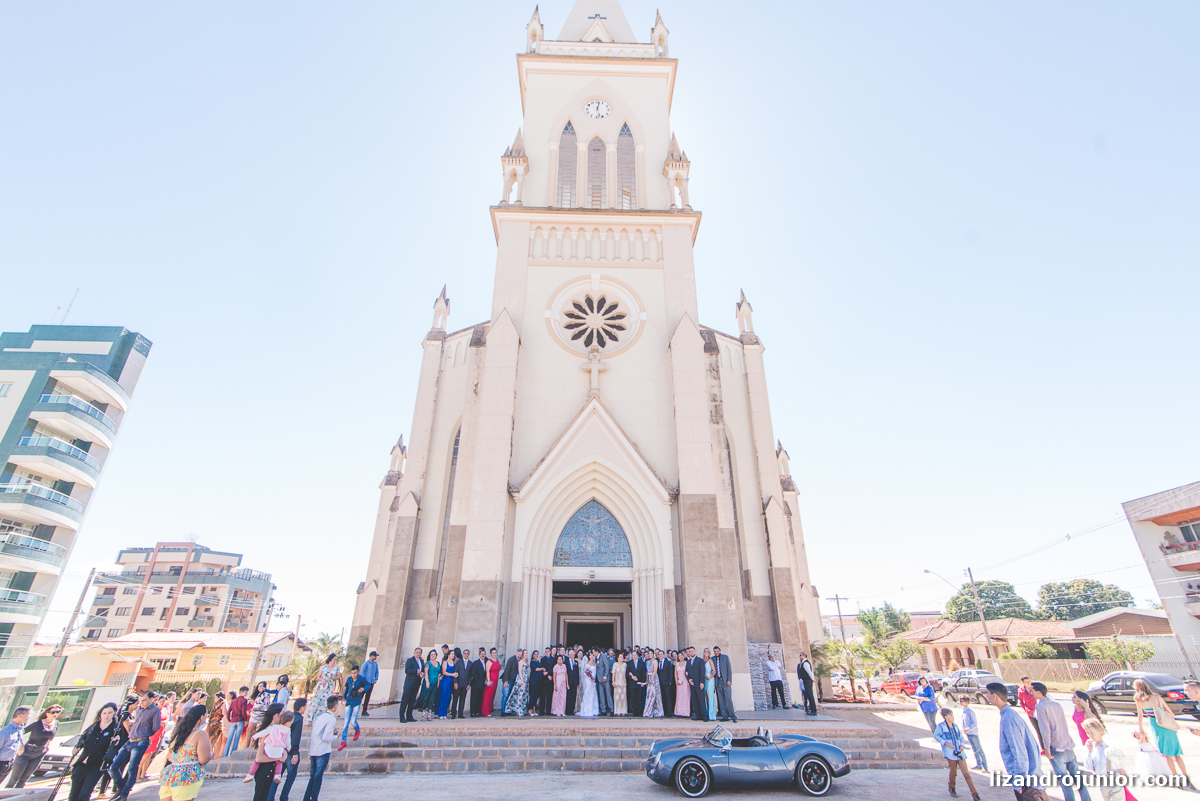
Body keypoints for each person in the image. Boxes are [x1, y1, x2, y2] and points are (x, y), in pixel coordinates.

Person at [1030, 682, 1092, 801]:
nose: (1031, 693)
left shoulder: (1040, 707)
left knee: (1065, 781)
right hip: (1068, 745)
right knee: (1077, 778)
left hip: (1056, 747)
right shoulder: (1056, 704)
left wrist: (1046, 748)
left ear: (1038, 692)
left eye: (1032, 691)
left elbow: (1045, 729)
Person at [986, 681, 1042, 799]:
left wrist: (1018, 781)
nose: (987, 697)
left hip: (1026, 782)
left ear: (995, 696)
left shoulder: (1009, 719)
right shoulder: (1010, 715)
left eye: (988, 694)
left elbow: (1019, 752)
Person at [1134, 677, 1189, 787]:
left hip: (1156, 726)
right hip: (1166, 725)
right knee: (1177, 754)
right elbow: (1171, 713)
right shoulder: (1157, 698)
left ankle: (1176, 780)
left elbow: (1140, 715)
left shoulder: (1138, 700)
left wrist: (1141, 728)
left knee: (1167, 755)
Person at [109, 692, 159, 800]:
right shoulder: (140, 709)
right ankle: (122, 787)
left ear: (151, 699)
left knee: (132, 768)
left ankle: (124, 794)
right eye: (140, 701)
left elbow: (156, 727)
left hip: (141, 741)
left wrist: (144, 733)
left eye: (144, 700)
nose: (141, 703)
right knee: (113, 766)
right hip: (130, 740)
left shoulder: (155, 710)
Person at [158, 705, 211, 801]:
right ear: (201, 717)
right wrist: (212, 754)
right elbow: (203, 759)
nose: (207, 716)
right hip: (185, 777)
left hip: (169, 775)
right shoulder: (200, 734)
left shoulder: (179, 732)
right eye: (206, 714)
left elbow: (169, 756)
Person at [67, 702, 117, 801]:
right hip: (81, 764)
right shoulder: (93, 727)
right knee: (73, 795)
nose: (107, 715)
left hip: (96, 765)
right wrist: (77, 746)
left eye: (109, 713)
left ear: (114, 713)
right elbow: (83, 737)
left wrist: (115, 742)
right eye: (104, 713)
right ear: (100, 714)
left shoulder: (115, 729)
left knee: (84, 794)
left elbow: (120, 744)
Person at [934, 707, 980, 800]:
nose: (952, 717)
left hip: (959, 752)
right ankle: (952, 788)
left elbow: (960, 737)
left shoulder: (955, 726)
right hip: (950, 752)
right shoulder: (941, 726)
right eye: (950, 715)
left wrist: (962, 745)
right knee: (953, 772)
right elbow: (936, 735)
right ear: (946, 717)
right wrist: (946, 743)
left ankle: (975, 794)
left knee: (966, 773)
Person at [1082, 718, 1133, 801]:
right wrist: (1090, 752)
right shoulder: (1087, 748)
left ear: (1101, 733)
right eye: (1087, 733)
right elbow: (1089, 766)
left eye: (1092, 733)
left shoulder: (1109, 749)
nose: (1090, 736)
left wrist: (1124, 773)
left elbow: (1119, 763)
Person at [301, 696, 338, 801]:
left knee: (312, 777)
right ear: (335, 706)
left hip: (314, 749)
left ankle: (307, 797)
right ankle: (314, 798)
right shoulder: (331, 719)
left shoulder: (320, 717)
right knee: (318, 777)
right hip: (322, 750)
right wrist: (335, 736)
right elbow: (326, 737)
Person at [247, 704, 284, 801]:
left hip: (269, 771)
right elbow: (259, 758)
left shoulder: (274, 730)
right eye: (281, 713)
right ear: (276, 715)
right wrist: (278, 758)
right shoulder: (267, 732)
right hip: (264, 771)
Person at [277, 699, 306, 801]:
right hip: (290, 751)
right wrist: (295, 752)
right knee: (291, 775)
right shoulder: (298, 719)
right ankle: (284, 797)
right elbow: (295, 736)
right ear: (302, 707)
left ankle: (270, 796)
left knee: (277, 775)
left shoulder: (288, 717)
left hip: (282, 750)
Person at [307, 654, 341, 723]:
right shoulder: (324, 667)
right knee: (316, 702)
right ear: (330, 659)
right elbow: (318, 677)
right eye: (334, 659)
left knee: (325, 703)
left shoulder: (336, 667)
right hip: (322, 686)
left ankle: (319, 719)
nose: (335, 661)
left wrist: (334, 678)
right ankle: (310, 719)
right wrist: (322, 680)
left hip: (330, 686)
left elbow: (338, 676)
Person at [338, 665, 367, 749]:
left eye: (355, 673)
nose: (353, 675)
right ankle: (343, 741)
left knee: (353, 721)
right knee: (346, 722)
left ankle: (357, 729)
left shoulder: (361, 679)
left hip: (356, 702)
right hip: (349, 702)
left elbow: (367, 685)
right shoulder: (349, 679)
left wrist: (363, 689)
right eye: (352, 673)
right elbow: (347, 688)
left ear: (358, 672)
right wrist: (344, 697)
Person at [0, 706, 29, 787]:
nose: (28, 717)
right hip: (1, 763)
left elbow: (18, 740)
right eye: (28, 715)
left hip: (9, 762)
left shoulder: (20, 728)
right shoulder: (5, 732)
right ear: (20, 716)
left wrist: (20, 747)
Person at [958, 695, 987, 772]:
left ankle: (985, 766)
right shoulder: (963, 711)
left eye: (962, 701)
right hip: (968, 734)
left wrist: (969, 729)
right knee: (974, 749)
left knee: (979, 749)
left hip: (973, 733)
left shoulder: (970, 712)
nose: (960, 702)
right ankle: (979, 764)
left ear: (967, 703)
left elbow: (974, 723)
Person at [712, 646, 737, 723]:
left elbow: (729, 669)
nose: (716, 652)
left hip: (725, 681)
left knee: (728, 699)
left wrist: (729, 680)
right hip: (718, 681)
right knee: (721, 700)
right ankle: (724, 716)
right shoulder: (713, 659)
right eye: (715, 651)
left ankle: (733, 716)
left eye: (717, 651)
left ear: (720, 651)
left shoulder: (725, 657)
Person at [1018, 676, 1044, 749]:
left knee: (1044, 729)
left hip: (1039, 711)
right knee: (1038, 730)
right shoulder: (1021, 691)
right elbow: (1021, 701)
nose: (1028, 683)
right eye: (1026, 682)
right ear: (1023, 683)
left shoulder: (1034, 689)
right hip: (1031, 713)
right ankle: (1043, 748)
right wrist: (1026, 710)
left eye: (1029, 682)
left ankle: (1049, 747)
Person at [398, 647, 423, 723]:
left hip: (416, 684)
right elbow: (407, 670)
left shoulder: (421, 661)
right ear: (414, 653)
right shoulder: (410, 660)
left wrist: (421, 674)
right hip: (409, 684)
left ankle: (409, 716)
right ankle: (402, 716)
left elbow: (421, 671)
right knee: (405, 700)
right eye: (417, 652)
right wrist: (416, 671)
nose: (418, 653)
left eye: (419, 652)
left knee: (412, 701)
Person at [225, 686, 250, 757]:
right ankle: (232, 754)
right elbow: (243, 711)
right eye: (245, 692)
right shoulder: (244, 700)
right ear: (241, 692)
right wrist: (246, 720)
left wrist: (229, 719)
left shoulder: (233, 701)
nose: (246, 693)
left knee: (229, 739)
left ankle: (225, 755)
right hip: (240, 720)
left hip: (233, 720)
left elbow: (229, 711)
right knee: (236, 739)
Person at [417, 650, 440, 722]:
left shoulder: (438, 663)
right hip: (428, 682)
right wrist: (427, 682)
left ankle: (429, 715)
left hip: (435, 683)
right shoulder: (428, 663)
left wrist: (438, 683)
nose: (433, 656)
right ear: (429, 656)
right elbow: (426, 673)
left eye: (434, 654)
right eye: (431, 654)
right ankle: (423, 715)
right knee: (425, 698)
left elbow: (439, 674)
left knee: (432, 698)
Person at [504, 651, 530, 716]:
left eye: (526, 653)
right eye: (524, 653)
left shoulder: (526, 660)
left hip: (525, 678)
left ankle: (523, 709)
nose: (525, 654)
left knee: (524, 694)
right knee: (519, 694)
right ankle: (517, 709)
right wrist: (522, 680)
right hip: (521, 678)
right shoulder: (521, 661)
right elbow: (520, 671)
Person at [686, 647, 707, 720]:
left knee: (701, 700)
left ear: (694, 651)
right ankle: (698, 715)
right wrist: (688, 679)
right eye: (690, 651)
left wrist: (702, 682)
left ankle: (704, 716)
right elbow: (686, 672)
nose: (691, 652)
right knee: (695, 700)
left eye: (692, 651)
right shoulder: (688, 661)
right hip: (692, 684)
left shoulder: (700, 660)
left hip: (699, 683)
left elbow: (702, 672)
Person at [438, 651, 459, 720]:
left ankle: (445, 713)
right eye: (452, 654)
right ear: (449, 655)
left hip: (451, 681)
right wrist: (452, 674)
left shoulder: (454, 662)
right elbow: (444, 672)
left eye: (453, 654)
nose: (453, 655)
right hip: (445, 680)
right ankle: (441, 713)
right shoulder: (445, 662)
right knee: (443, 696)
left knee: (448, 697)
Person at [642, 653, 663, 718]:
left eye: (651, 653)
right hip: (649, 677)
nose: (650, 655)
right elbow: (647, 672)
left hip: (654, 679)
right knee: (649, 695)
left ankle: (658, 711)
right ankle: (649, 711)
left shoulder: (655, 661)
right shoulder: (648, 661)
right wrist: (647, 680)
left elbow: (655, 670)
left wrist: (652, 678)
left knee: (655, 694)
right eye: (649, 654)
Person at [797, 651, 818, 716]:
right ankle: (811, 709)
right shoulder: (802, 663)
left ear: (804, 656)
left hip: (807, 680)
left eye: (801, 655)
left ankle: (814, 710)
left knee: (810, 695)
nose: (800, 656)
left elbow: (809, 672)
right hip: (805, 680)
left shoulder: (805, 663)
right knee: (808, 695)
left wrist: (813, 678)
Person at [500, 649, 520, 716]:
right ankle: (502, 711)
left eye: (520, 654)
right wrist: (506, 681)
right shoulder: (511, 659)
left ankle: (508, 710)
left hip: (515, 681)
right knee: (505, 695)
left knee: (511, 696)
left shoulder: (520, 660)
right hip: (508, 680)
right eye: (518, 654)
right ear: (516, 653)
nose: (519, 655)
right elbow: (507, 670)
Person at [469, 648, 488, 717]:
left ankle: (477, 711)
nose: (483, 655)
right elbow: (473, 673)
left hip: (482, 684)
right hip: (476, 684)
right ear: (479, 655)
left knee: (479, 698)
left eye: (484, 654)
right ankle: (472, 712)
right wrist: (478, 680)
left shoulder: (486, 662)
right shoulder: (476, 663)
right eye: (481, 654)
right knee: (474, 698)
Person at [207, 692, 226, 758]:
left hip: (217, 726)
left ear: (219, 698)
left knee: (216, 742)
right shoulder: (215, 705)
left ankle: (215, 756)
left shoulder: (223, 705)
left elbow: (224, 715)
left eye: (215, 698)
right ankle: (210, 755)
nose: (214, 699)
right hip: (211, 725)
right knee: (210, 741)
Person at [360, 652, 379, 716]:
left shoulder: (375, 664)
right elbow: (362, 672)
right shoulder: (366, 664)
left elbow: (377, 672)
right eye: (375, 656)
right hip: (365, 683)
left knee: (367, 697)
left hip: (371, 683)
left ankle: (364, 710)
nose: (376, 657)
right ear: (371, 656)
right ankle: (355, 709)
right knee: (361, 696)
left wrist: (375, 679)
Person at [482, 648, 501, 717]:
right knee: (487, 695)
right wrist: (488, 681)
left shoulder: (497, 660)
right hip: (491, 680)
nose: (494, 654)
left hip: (496, 680)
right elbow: (487, 671)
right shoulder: (489, 661)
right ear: (490, 654)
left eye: (495, 652)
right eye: (493, 653)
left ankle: (489, 709)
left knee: (492, 695)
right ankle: (485, 710)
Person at [628, 649, 646, 717]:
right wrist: (632, 677)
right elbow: (627, 673)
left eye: (635, 655)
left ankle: (639, 711)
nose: (634, 656)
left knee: (639, 697)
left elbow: (643, 673)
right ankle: (635, 712)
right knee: (633, 698)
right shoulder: (629, 663)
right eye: (632, 655)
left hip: (639, 683)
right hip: (632, 684)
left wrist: (642, 682)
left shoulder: (641, 662)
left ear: (637, 655)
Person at [674, 653, 691, 717]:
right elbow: (675, 673)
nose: (680, 657)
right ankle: (679, 711)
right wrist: (676, 681)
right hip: (679, 681)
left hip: (685, 680)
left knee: (686, 695)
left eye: (681, 656)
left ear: (683, 656)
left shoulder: (686, 663)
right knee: (679, 696)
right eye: (679, 656)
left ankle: (686, 712)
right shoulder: (677, 664)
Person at [564, 650, 580, 717]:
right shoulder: (566, 662)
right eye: (572, 654)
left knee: (573, 696)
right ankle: (567, 710)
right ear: (569, 655)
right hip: (569, 681)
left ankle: (572, 710)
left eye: (574, 654)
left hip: (575, 681)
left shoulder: (576, 662)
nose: (573, 655)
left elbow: (577, 672)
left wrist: (578, 682)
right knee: (569, 696)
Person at [703, 649, 717, 722]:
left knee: (710, 695)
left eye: (707, 652)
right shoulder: (702, 661)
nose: (706, 653)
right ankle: (707, 713)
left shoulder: (710, 661)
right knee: (705, 696)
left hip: (710, 679)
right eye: (705, 651)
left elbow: (714, 671)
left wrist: (710, 677)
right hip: (704, 679)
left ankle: (712, 715)